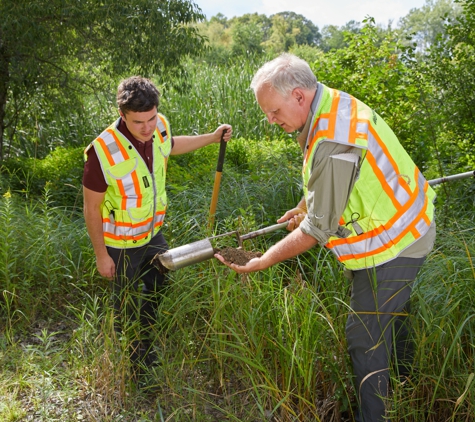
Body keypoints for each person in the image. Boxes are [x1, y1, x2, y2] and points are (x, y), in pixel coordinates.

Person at [215, 53, 436, 422]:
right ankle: (407, 387)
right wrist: (307, 203)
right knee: (391, 321)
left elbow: (316, 230)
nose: (270, 120)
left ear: (299, 96)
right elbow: (331, 182)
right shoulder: (329, 104)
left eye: (273, 111)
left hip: (398, 242)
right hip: (394, 232)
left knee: (364, 337)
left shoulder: (335, 134)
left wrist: (261, 260)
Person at [83, 76, 232, 371]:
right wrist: (102, 255)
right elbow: (91, 208)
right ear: (122, 115)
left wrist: (212, 137)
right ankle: (129, 364)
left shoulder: (159, 126)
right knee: (124, 303)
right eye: (139, 122)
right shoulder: (102, 151)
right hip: (121, 244)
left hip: (153, 235)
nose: (147, 127)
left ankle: (147, 341)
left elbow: (170, 145)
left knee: (158, 286)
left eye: (151, 118)